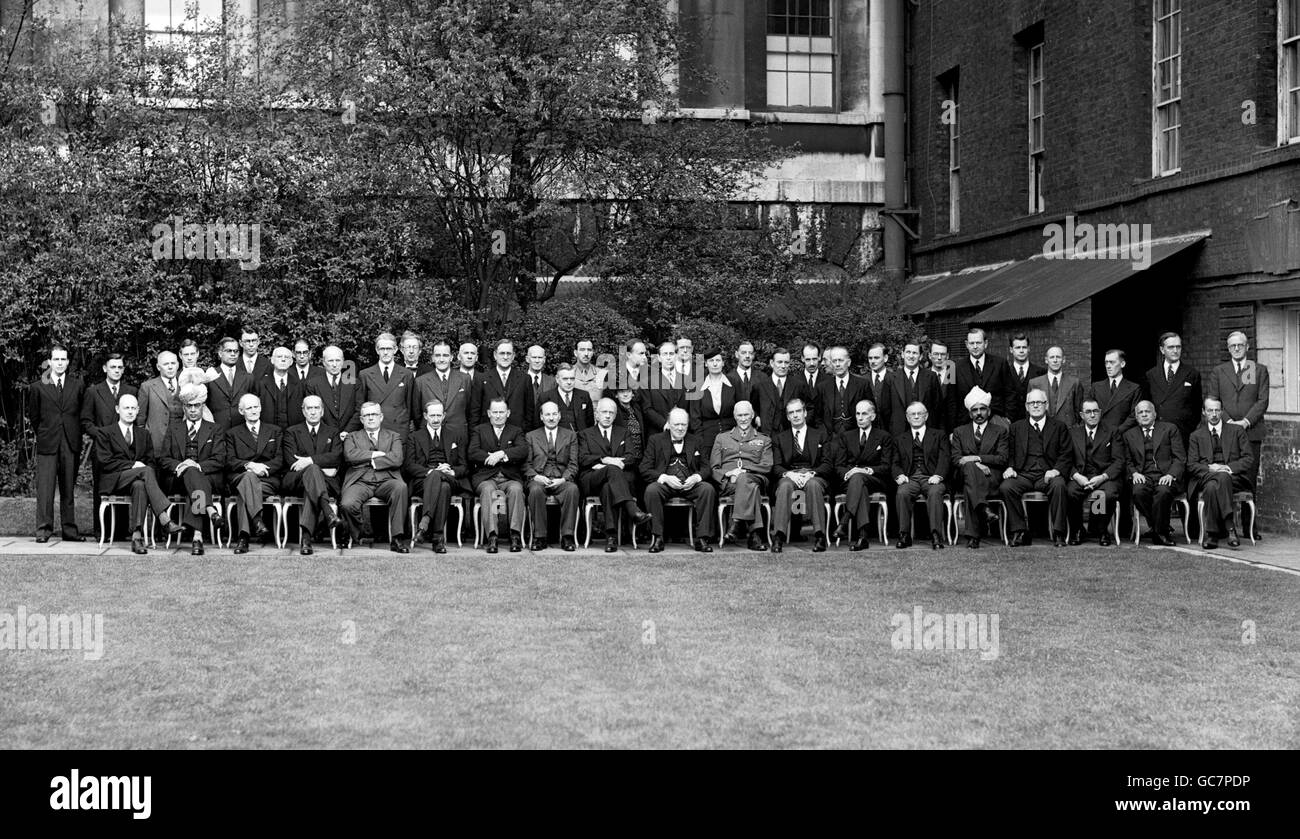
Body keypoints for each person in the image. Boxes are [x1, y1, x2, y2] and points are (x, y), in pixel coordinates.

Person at [90, 393, 183, 553]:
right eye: (126, 408)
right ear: (118, 409)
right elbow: (105, 462)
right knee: (145, 471)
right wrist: (133, 465)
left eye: (133, 408)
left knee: (140, 484)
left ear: (138, 410)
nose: (130, 411)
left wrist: (139, 470)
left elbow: (151, 461)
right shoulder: (105, 433)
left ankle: (137, 536)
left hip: (137, 483)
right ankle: (163, 516)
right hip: (114, 480)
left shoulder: (144, 434)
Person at [158, 383, 226, 556]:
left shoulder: (215, 429)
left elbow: (220, 459)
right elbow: (164, 459)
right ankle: (210, 512)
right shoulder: (174, 428)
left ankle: (197, 536)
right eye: (190, 406)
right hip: (178, 480)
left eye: (197, 405)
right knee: (191, 476)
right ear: (184, 407)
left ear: (203, 406)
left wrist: (196, 465)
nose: (193, 409)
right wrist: (181, 465)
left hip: (208, 478)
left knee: (194, 481)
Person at [578, 398, 652, 553]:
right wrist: (605, 460)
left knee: (607, 488)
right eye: (604, 412)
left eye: (611, 413)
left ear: (615, 415)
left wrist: (618, 464)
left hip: (613, 482)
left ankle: (611, 537)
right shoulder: (585, 434)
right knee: (612, 469)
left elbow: (632, 456)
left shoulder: (623, 432)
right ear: (597, 415)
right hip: (591, 478)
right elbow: (583, 458)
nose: (607, 416)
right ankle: (632, 510)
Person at [28, 344, 86, 542]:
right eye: (56, 359)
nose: (60, 363)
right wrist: (45, 433)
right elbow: (34, 417)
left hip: (70, 442)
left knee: (68, 489)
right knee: (45, 489)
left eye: (63, 359)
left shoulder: (77, 385)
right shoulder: (38, 387)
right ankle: (43, 530)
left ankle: (69, 530)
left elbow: (80, 414)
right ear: (50, 362)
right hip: (48, 442)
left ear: (68, 362)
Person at [1000, 388, 1072, 547]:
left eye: (1039, 402)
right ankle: (1020, 531)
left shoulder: (1059, 427)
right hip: (1023, 475)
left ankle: (1059, 532)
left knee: (1059, 485)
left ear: (1046, 405)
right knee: (1007, 487)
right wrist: (1010, 467)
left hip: (1047, 475)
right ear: (1026, 406)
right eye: (1032, 403)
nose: (1035, 405)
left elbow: (1066, 454)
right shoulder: (1016, 427)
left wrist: (1056, 470)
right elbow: (1010, 452)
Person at [640, 408, 716, 553]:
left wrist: (696, 477)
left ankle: (702, 538)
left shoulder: (697, 440)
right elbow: (644, 468)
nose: (680, 428)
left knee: (707, 489)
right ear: (668, 424)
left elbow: (707, 467)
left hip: (690, 484)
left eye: (684, 425)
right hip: (666, 485)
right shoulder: (655, 440)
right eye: (676, 425)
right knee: (651, 490)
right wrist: (664, 478)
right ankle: (657, 537)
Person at [81, 352, 139, 534]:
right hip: (103, 449)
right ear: (105, 368)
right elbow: (86, 421)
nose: (116, 370)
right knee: (102, 488)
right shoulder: (93, 391)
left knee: (124, 485)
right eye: (113, 367)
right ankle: (102, 531)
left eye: (120, 367)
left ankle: (121, 531)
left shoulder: (131, 391)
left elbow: (135, 420)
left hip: (125, 448)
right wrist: (102, 435)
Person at [340, 402, 410, 553]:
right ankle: (358, 531)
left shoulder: (393, 436)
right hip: (360, 481)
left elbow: (397, 458)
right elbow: (350, 456)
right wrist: (375, 454)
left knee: (401, 488)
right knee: (347, 504)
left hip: (387, 479)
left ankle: (397, 538)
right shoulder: (352, 437)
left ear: (381, 417)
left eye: (374, 415)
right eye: (367, 415)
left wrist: (371, 461)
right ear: (361, 419)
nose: (371, 418)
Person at [1205, 331, 1269, 492]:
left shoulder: (1257, 370)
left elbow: (1263, 401)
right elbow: (1213, 400)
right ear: (1228, 349)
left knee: (1249, 479)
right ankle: (1228, 517)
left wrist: (1245, 422)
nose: (1237, 348)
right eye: (1233, 345)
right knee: (1225, 477)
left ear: (1247, 346)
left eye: (1240, 345)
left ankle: (1249, 518)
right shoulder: (1219, 371)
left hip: (1251, 433)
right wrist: (1229, 422)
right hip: (1225, 432)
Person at [1186, 397, 1254, 550]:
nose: (1214, 414)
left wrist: (1228, 468)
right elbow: (1192, 465)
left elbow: (1248, 458)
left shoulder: (1237, 431)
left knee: (1212, 487)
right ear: (1204, 412)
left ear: (1222, 411)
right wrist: (1212, 469)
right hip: (1206, 475)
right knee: (1218, 479)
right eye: (1210, 410)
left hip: (1234, 478)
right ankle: (1230, 528)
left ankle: (1212, 535)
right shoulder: (1196, 436)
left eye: (1217, 410)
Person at [281, 395, 344, 555]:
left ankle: (306, 539)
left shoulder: (333, 432)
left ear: (322, 411)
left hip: (326, 482)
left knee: (311, 486)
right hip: (296, 481)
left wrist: (309, 461)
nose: (313, 412)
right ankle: (327, 510)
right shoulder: (291, 432)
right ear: (303, 411)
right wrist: (321, 466)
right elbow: (291, 462)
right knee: (313, 472)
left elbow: (337, 457)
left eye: (317, 408)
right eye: (309, 408)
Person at [404, 399, 468, 554]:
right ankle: (438, 539)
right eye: (432, 415)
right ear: (425, 416)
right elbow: (410, 465)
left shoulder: (455, 435)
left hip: (449, 477)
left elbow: (464, 466)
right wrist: (431, 472)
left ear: (444, 415)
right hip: (423, 480)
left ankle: (424, 523)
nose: (436, 419)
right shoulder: (415, 436)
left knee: (444, 482)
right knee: (442, 486)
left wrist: (452, 471)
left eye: (439, 415)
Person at [949, 387, 1009, 549]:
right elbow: (956, 459)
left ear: (989, 411)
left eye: (982, 409)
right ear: (970, 414)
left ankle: (973, 536)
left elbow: (1002, 459)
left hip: (992, 477)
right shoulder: (959, 432)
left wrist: (977, 458)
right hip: (965, 476)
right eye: (975, 410)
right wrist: (977, 466)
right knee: (969, 470)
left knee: (971, 483)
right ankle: (983, 508)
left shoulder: (1000, 431)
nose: (979, 413)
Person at [770, 397, 832, 553]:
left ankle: (819, 535)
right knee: (784, 486)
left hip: (814, 475)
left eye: (798, 411)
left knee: (813, 485)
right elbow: (776, 466)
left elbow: (827, 464)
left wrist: (812, 473)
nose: (795, 415)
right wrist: (789, 474)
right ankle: (779, 536)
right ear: (787, 416)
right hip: (791, 476)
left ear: (805, 413)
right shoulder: (779, 438)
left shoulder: (820, 435)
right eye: (791, 412)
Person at [833, 399, 896, 551]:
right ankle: (863, 537)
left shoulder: (884, 437)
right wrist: (851, 473)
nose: (860, 418)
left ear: (873, 417)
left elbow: (886, 467)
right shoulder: (846, 436)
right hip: (851, 481)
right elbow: (839, 466)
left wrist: (864, 470)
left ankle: (845, 520)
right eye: (857, 414)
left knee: (859, 478)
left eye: (864, 414)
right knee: (859, 484)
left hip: (875, 479)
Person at [224, 393, 282, 554]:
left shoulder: (274, 431)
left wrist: (261, 468)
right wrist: (249, 465)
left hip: (267, 480)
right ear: (241, 411)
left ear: (261, 408)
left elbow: (280, 459)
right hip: (240, 477)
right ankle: (257, 521)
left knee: (246, 489)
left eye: (256, 406)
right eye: (249, 408)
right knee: (247, 479)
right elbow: (229, 460)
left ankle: (243, 537)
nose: (253, 410)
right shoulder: (232, 433)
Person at [469, 397, 528, 554]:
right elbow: (473, 452)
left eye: (501, 412)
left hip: (509, 478)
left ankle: (514, 535)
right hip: (486, 478)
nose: (498, 415)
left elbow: (522, 450)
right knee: (489, 491)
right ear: (489, 413)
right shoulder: (479, 430)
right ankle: (492, 536)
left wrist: (502, 454)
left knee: (516, 490)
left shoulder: (516, 431)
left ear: (508, 413)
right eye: (494, 412)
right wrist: (491, 457)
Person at [711, 401, 773, 551]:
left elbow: (767, 466)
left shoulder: (764, 439)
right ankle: (755, 536)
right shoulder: (722, 438)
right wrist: (729, 473)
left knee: (746, 480)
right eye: (740, 415)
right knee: (752, 489)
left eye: (746, 415)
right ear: (734, 416)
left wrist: (744, 471)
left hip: (756, 477)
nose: (743, 418)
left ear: (752, 415)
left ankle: (736, 523)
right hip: (730, 483)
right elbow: (714, 468)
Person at [1122, 400, 1186, 545]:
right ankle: (1160, 528)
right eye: (1140, 412)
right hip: (1143, 476)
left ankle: (1159, 532)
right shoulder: (1128, 435)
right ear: (1136, 416)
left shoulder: (1170, 429)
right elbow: (1126, 461)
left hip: (1166, 475)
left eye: (1147, 411)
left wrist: (1171, 474)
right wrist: (1134, 473)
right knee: (1138, 492)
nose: (1144, 414)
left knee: (1163, 491)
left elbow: (1180, 457)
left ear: (1155, 414)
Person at [1065, 398, 1123, 546]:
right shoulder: (1072, 433)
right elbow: (1065, 460)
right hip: (1080, 476)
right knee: (1071, 492)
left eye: (1095, 411)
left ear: (1100, 413)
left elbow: (1119, 461)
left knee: (1104, 494)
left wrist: (1102, 477)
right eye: (1088, 412)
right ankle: (1078, 530)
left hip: (1104, 477)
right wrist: (1077, 477)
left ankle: (1100, 530)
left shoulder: (1112, 432)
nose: (1092, 415)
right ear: (1081, 415)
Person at [524, 401, 581, 551]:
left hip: (561, 479)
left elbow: (573, 464)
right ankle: (539, 537)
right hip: (539, 478)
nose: (551, 418)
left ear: (560, 415)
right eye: (547, 414)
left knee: (572, 490)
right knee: (535, 491)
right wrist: (536, 477)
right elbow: (526, 464)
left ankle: (567, 537)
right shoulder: (530, 436)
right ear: (541, 417)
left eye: (554, 414)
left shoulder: (570, 436)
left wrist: (563, 479)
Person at [893, 402, 949, 550]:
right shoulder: (900, 438)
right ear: (907, 417)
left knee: (935, 492)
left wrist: (938, 475)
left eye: (920, 413)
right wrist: (899, 475)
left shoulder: (939, 435)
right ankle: (904, 535)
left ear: (926, 416)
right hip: (910, 478)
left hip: (931, 477)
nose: (916, 416)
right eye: (912, 414)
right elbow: (894, 462)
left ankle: (936, 535)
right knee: (902, 492)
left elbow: (945, 458)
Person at [1143, 331, 1201, 445]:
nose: (1175, 350)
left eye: (1178, 347)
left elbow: (1197, 406)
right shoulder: (1151, 375)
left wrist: (1188, 426)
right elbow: (1147, 403)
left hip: (1183, 433)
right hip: (1158, 433)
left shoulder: (1192, 373)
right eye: (1171, 347)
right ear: (1162, 350)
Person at [412, 340, 472, 442]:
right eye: (438, 355)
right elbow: (417, 414)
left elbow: (469, 409)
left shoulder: (465, 379)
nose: (441, 359)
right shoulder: (420, 381)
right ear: (432, 358)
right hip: (430, 437)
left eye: (445, 355)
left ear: (451, 357)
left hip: (458, 435)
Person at [882, 342, 943, 438]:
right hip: (898, 434)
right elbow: (885, 410)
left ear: (921, 356)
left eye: (914, 353)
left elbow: (938, 407)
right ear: (902, 354)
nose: (911, 356)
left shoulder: (931, 377)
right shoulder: (890, 378)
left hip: (926, 434)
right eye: (908, 352)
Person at [358, 332, 414, 435]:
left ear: (395, 350)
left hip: (398, 431)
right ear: (377, 350)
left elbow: (410, 406)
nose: (385, 352)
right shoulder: (365, 375)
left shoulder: (407, 374)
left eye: (389, 349)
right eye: (382, 349)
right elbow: (361, 406)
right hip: (374, 431)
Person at [954, 328, 1013, 420]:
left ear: (985, 344)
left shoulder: (1000, 364)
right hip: (966, 423)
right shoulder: (955, 367)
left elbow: (1010, 393)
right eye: (971, 343)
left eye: (978, 343)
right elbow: (952, 400)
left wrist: (1008, 419)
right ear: (966, 344)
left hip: (995, 421)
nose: (975, 346)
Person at [470, 339, 527, 429]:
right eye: (502, 353)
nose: (505, 357)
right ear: (495, 355)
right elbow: (475, 412)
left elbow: (529, 413)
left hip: (517, 435)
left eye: (508, 353)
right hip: (487, 435)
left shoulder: (524, 379)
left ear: (513, 356)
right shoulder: (482, 378)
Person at [306, 345, 363, 435]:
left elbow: (359, 410)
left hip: (350, 435)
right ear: (324, 362)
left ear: (343, 361)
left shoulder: (354, 383)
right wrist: (327, 433)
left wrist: (347, 431)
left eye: (338, 360)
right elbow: (312, 412)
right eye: (331, 361)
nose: (334, 364)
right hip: (323, 436)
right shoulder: (313, 384)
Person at [754, 347, 812, 435]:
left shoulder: (799, 385)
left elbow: (810, 408)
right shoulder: (760, 386)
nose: (783, 366)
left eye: (786, 362)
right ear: (772, 363)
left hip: (793, 435)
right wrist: (756, 417)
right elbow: (753, 407)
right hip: (767, 435)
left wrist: (801, 424)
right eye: (780, 362)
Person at [688, 348, 736, 452]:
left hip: (732, 437)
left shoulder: (734, 383)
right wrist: (700, 442)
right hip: (707, 440)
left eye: (718, 361)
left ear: (723, 363)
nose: (715, 364)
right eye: (711, 361)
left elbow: (741, 410)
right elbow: (695, 418)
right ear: (706, 364)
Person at [814, 346, 870, 435]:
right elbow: (817, 417)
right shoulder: (822, 387)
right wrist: (824, 437)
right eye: (834, 361)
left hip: (856, 440)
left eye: (840, 360)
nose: (837, 364)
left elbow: (870, 413)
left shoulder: (862, 385)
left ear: (848, 362)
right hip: (831, 441)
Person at [137, 350, 183, 449]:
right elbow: (140, 420)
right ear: (158, 367)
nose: (170, 367)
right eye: (166, 364)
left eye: (173, 363)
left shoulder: (186, 384)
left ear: (178, 365)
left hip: (182, 442)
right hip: (156, 443)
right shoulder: (147, 387)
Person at [207, 337, 256, 429]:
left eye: (236, 351)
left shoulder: (248, 377)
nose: (233, 354)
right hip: (217, 429)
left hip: (242, 430)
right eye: (229, 351)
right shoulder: (210, 376)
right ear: (220, 353)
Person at [1028, 346, 1083, 428]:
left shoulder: (1074, 383)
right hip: (1043, 431)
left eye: (1058, 357)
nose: (1055, 360)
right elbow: (1030, 411)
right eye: (1052, 357)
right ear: (1046, 360)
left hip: (1068, 431)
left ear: (1063, 359)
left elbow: (1079, 411)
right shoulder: (1034, 383)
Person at [1088, 349, 1140, 435]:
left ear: (1122, 364)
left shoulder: (1134, 388)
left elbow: (1135, 415)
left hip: (1122, 436)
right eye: (1106, 362)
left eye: (1112, 362)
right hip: (1100, 436)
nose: (1108, 366)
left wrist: (1118, 431)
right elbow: (1088, 411)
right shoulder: (1096, 387)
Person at [255, 346, 306, 430]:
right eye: (279, 357)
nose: (283, 359)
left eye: (286, 357)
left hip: (293, 434)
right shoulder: (261, 383)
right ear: (272, 360)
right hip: (268, 433)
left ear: (291, 362)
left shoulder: (299, 384)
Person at [642, 341, 685, 432]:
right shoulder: (648, 381)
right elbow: (647, 409)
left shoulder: (686, 380)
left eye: (671, 354)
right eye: (665, 354)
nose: (669, 357)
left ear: (677, 356)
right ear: (659, 358)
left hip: (684, 432)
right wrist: (664, 424)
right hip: (658, 433)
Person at [538, 363, 594, 433]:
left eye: (572, 379)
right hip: (556, 441)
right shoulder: (545, 397)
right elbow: (538, 424)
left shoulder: (584, 396)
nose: (569, 382)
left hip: (579, 440)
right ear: (557, 379)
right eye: (565, 379)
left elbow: (590, 423)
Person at [1005, 334, 1047, 424]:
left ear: (1029, 349)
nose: (1021, 351)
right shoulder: (1004, 372)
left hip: (1035, 421)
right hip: (1011, 423)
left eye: (1024, 347)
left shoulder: (1041, 372)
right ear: (1011, 350)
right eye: (1017, 348)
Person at [927, 340, 958, 432]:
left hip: (950, 429)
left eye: (943, 354)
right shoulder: (923, 376)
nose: (939, 358)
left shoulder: (955, 374)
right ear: (929, 355)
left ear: (947, 356)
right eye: (936, 354)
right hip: (929, 429)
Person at [521, 344, 554, 432]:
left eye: (540, 358)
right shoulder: (519, 380)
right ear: (527, 359)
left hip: (546, 429)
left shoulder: (552, 382)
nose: (537, 361)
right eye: (534, 357)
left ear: (544, 360)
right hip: (523, 429)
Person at [864, 343, 893, 427]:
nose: (872, 361)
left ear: (885, 358)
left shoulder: (894, 379)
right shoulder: (862, 381)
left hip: (889, 429)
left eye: (876, 358)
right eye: (870, 358)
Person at [727, 340, 760, 409]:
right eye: (743, 353)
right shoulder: (728, 379)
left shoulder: (762, 378)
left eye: (750, 353)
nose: (747, 356)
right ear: (736, 354)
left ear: (753, 355)